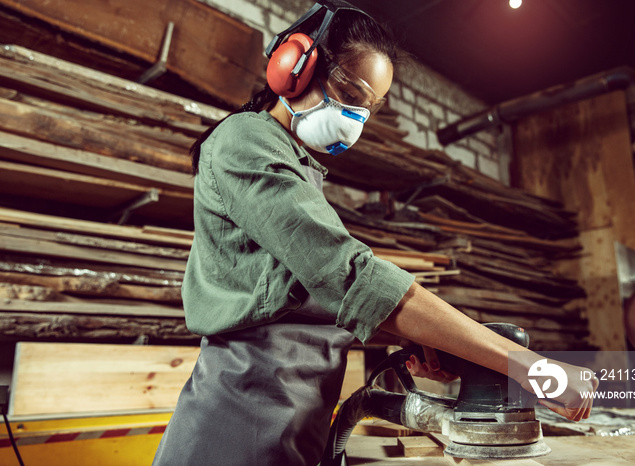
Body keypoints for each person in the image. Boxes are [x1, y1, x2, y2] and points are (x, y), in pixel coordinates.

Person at [152, 2, 598, 465]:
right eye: (349, 93)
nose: (354, 118)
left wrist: (419, 340)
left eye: (367, 109)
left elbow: (307, 299)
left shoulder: (302, 168)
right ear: (294, 66)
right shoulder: (244, 142)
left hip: (292, 422)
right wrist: (531, 367)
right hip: (236, 425)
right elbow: (348, 277)